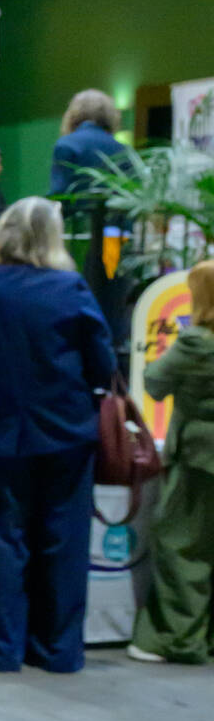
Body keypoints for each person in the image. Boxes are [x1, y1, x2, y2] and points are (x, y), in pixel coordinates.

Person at [0, 196, 116, 674]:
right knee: (64, 542)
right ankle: (58, 649)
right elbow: (103, 363)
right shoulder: (72, 288)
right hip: (66, 431)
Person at [129, 258, 214, 663]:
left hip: (200, 458)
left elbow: (156, 383)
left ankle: (177, 638)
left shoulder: (196, 341)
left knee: (182, 547)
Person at [49, 90, 132, 196]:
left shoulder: (65, 144)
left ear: (72, 115)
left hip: (74, 211)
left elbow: (59, 190)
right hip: (115, 211)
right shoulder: (123, 149)